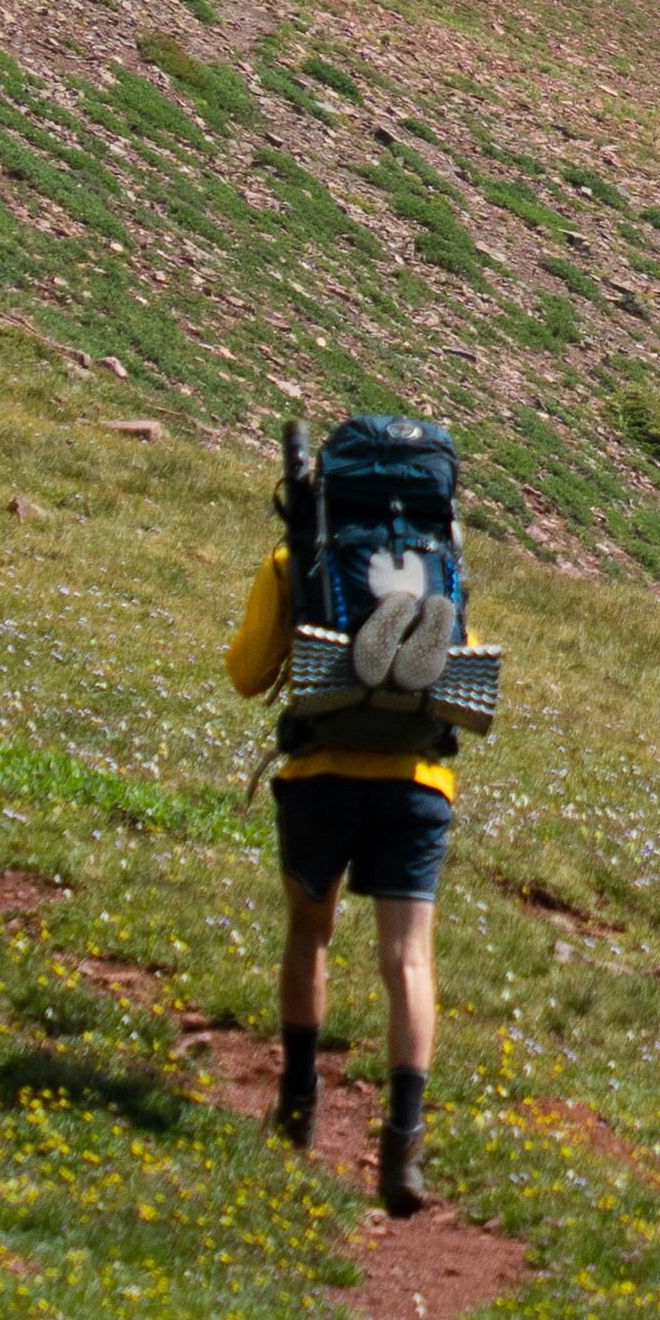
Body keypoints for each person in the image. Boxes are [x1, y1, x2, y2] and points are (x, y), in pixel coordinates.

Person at [225, 413, 493, 1212]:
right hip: (417, 781)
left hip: (320, 772)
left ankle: (299, 1108)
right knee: (408, 960)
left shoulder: (297, 560)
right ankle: (401, 1152)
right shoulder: (445, 563)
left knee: (311, 931)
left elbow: (246, 674)